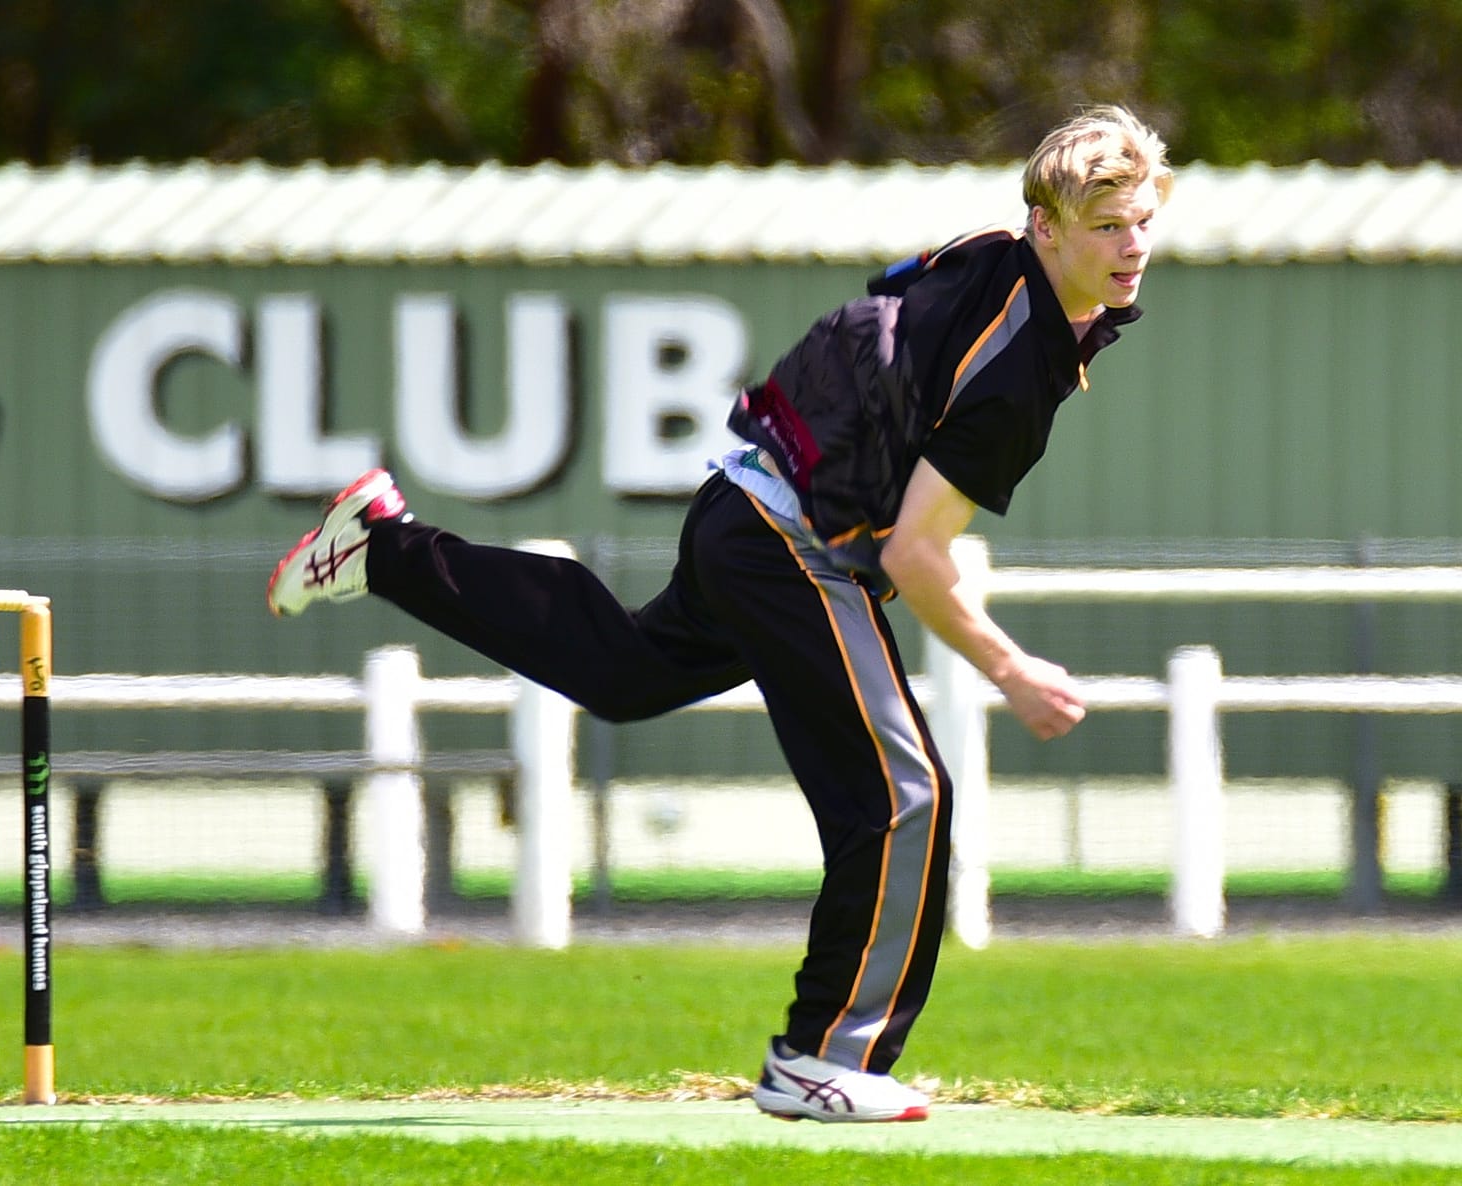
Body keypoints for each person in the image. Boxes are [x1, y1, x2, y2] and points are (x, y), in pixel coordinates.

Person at [268, 104, 1173, 1124]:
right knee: (903, 796)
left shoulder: (999, 263)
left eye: (1141, 219)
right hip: (791, 550)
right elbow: (916, 553)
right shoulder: (1015, 368)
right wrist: (1009, 668)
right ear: (1045, 229)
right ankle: (822, 1056)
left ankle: (384, 544)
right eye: (1105, 226)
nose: (1131, 245)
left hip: (744, 510)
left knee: (625, 671)